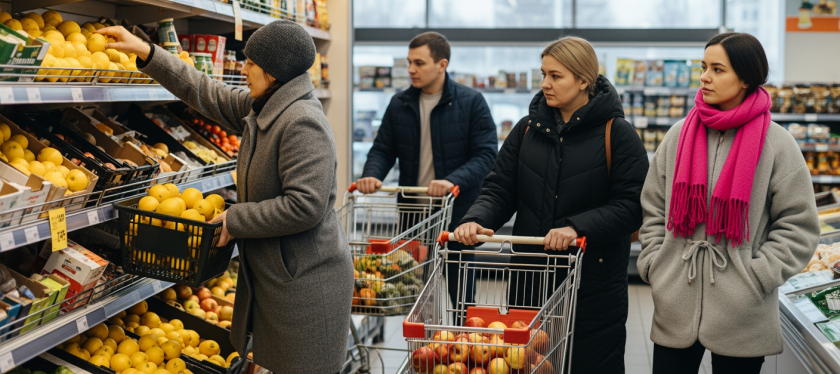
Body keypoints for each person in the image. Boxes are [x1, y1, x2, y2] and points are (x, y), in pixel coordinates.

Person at [98, 21, 354, 374]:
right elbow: (206, 91)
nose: (244, 69)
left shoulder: (301, 122)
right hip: (280, 277)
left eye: (251, 63)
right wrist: (147, 52)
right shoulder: (266, 106)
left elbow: (305, 206)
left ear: (275, 73)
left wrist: (235, 219)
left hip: (307, 286)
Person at [453, 36, 649, 373]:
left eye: (556, 76)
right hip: (531, 277)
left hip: (592, 284)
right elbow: (499, 188)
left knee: (590, 363)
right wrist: (476, 218)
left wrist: (577, 226)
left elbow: (633, 205)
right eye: (543, 74)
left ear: (583, 80)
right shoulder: (527, 130)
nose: (545, 83)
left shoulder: (617, 134)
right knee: (529, 363)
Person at [637, 32, 820, 374]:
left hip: (744, 309)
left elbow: (799, 225)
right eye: (704, 67)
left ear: (746, 78)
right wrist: (655, 263)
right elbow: (653, 205)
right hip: (676, 299)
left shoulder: (777, 144)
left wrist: (759, 275)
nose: (704, 77)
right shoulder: (679, 134)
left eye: (717, 69)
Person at [357, 31, 497, 308]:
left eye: (419, 63)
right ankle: (426, 350)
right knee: (416, 296)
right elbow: (383, 149)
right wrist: (371, 174)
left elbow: (486, 155)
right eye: (409, 62)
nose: (411, 70)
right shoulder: (400, 103)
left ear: (442, 64)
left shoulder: (471, 102)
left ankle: (461, 344)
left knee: (461, 298)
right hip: (414, 218)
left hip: (459, 218)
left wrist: (452, 181)